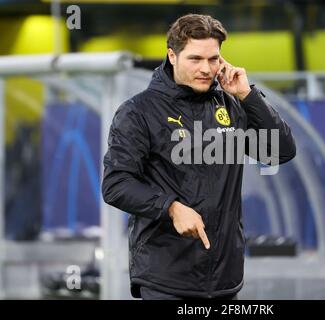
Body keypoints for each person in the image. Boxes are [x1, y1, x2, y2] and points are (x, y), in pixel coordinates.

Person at [102, 13, 296, 300]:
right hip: (166, 279)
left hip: (225, 280)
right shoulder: (138, 111)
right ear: (172, 56)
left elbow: (280, 151)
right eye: (195, 59)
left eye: (213, 59)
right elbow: (116, 184)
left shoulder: (232, 107)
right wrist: (171, 207)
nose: (206, 68)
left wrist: (248, 95)